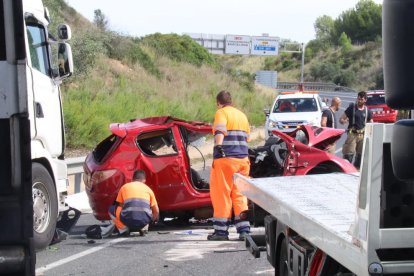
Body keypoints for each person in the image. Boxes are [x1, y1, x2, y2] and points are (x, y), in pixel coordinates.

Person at [208, 90, 251, 241]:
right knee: (239, 194)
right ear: (231, 101)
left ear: (218, 103)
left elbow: (220, 130)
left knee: (222, 194)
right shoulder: (242, 115)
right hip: (243, 160)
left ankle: (221, 232)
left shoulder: (221, 113)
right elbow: (247, 137)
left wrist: (218, 146)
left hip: (226, 160)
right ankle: (244, 230)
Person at [101, 169, 159, 238]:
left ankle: (123, 229)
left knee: (112, 209)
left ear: (132, 179)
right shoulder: (148, 189)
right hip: (143, 221)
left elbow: (119, 206)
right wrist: (152, 220)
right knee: (149, 208)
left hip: (127, 220)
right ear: (144, 180)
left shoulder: (124, 187)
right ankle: (144, 228)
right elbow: (156, 211)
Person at [339, 91, 373, 169]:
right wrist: (343, 121)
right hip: (352, 135)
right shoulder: (351, 108)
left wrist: (371, 132)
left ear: (365, 100)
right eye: (358, 99)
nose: (359, 100)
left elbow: (371, 123)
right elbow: (341, 119)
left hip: (362, 135)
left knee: (360, 156)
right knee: (348, 155)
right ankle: (346, 170)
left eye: (361, 99)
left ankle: (357, 171)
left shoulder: (368, 111)